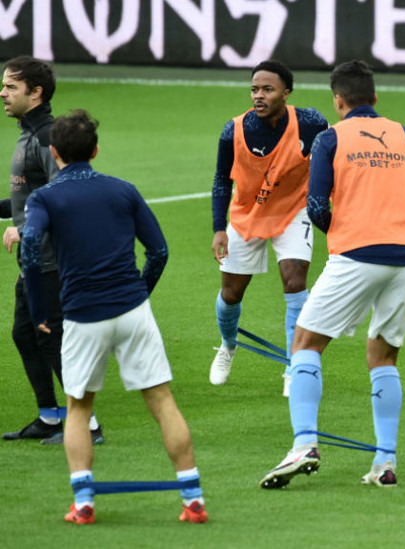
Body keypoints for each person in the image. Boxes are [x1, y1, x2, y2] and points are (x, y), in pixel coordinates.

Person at [259, 60, 405, 489]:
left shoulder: (330, 138)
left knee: (305, 342)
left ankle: (304, 445)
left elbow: (316, 208)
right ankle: (385, 462)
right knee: (384, 356)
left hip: (358, 251)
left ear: (338, 100)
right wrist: (402, 209)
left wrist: (353, 219)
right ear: (375, 97)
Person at [20, 110, 207, 524]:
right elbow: (158, 252)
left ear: (54, 152)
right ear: (96, 150)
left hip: (83, 316)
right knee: (162, 401)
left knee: (79, 408)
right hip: (132, 310)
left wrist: (38, 311)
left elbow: (30, 250)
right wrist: (138, 294)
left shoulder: (45, 197)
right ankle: (193, 499)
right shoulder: (123, 190)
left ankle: (84, 503)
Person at [209, 60, 330, 393]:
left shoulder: (311, 123)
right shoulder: (232, 131)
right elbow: (221, 179)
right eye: (254, 89)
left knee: (295, 281)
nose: (258, 96)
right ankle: (228, 345)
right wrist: (219, 227)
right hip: (247, 215)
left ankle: (295, 366)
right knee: (231, 294)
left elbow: (330, 159)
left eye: (267, 89)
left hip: (293, 211)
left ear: (286, 93)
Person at [1, 55, 104, 445]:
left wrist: (24, 231)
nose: (3, 93)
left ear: (36, 92)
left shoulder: (47, 138)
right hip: (35, 259)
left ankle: (88, 426)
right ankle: (49, 416)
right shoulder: (28, 134)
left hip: (52, 261)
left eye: (11, 86)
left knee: (53, 340)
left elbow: (66, 193)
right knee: (25, 336)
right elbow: (27, 197)